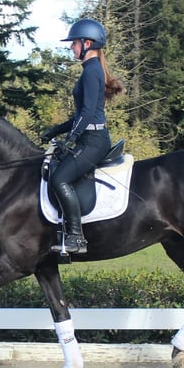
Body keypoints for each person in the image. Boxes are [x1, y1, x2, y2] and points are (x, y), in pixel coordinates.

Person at [41, 18, 124, 254]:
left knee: (59, 180)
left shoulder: (91, 71)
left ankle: (76, 238)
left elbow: (87, 113)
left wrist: (72, 137)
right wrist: (57, 130)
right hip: (89, 137)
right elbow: (82, 114)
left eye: (74, 43)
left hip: (93, 141)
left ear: (87, 43)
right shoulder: (91, 69)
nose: (71, 47)